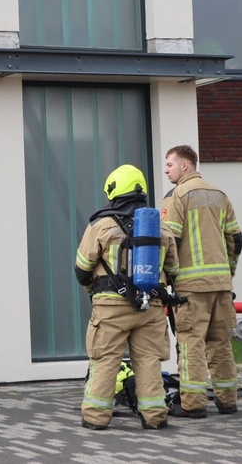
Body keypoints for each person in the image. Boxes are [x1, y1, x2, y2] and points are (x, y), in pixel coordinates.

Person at [74, 164, 179, 431]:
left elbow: (82, 267)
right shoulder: (160, 228)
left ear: (114, 189)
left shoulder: (102, 225)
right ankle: (155, 416)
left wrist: (93, 292)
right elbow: (173, 270)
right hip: (152, 305)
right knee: (148, 361)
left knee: (106, 359)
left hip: (110, 306)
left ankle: (96, 416)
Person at [162, 145, 242, 418]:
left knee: (191, 344)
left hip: (191, 289)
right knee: (221, 343)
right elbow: (237, 239)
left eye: (170, 164)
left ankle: (193, 405)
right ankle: (228, 400)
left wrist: (170, 277)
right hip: (221, 286)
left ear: (186, 165)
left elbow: (169, 240)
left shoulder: (177, 196)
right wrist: (228, 273)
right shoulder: (220, 195)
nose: (166, 170)